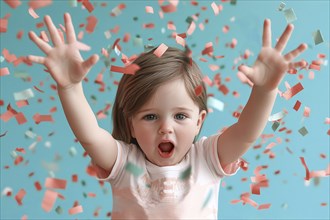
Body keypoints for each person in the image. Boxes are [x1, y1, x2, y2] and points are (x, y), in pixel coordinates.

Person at [28, 13, 307, 219]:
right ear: (131, 125)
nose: (166, 128)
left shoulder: (206, 160)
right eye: (150, 117)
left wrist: (265, 90)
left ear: (200, 121)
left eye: (181, 117)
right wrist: (70, 87)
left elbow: (246, 132)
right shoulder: (125, 164)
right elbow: (89, 135)